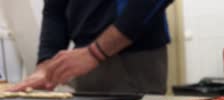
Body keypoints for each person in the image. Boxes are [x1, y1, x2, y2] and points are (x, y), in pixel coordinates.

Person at [10, 0, 173, 94]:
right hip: (82, 61)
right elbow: (55, 9)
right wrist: (46, 64)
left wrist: (95, 52)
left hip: (133, 57)